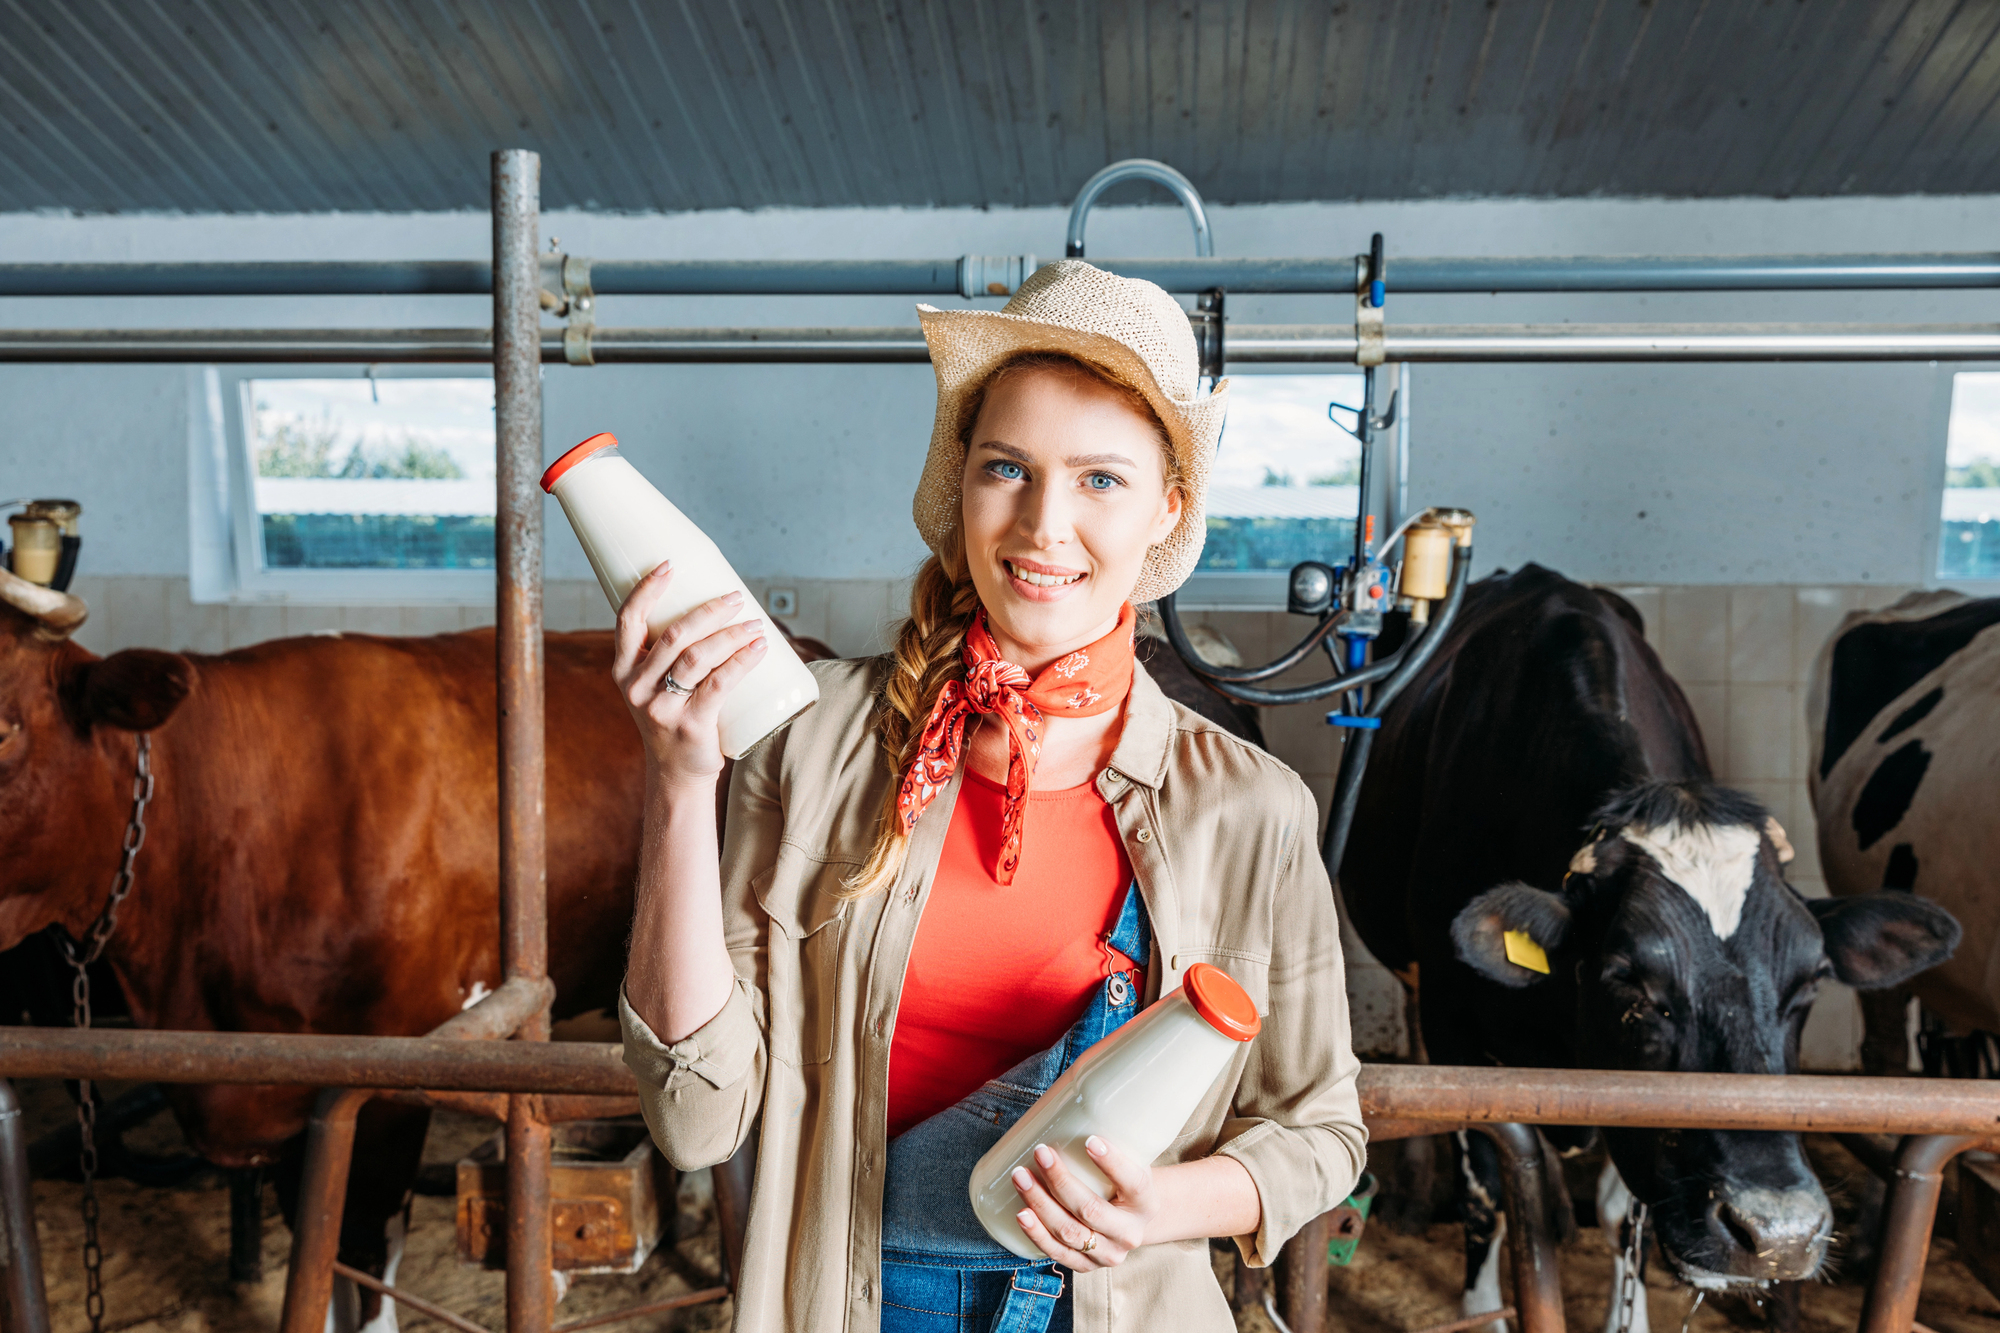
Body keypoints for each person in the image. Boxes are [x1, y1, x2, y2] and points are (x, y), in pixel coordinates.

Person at [617, 260, 1364, 1333]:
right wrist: (682, 781)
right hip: (856, 1303)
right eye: (1007, 468)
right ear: (961, 480)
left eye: (1100, 480)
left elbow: (1320, 1131)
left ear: (1167, 509)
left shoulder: (1250, 807)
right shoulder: (813, 743)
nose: (1043, 524)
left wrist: (1164, 1205)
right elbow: (696, 1120)